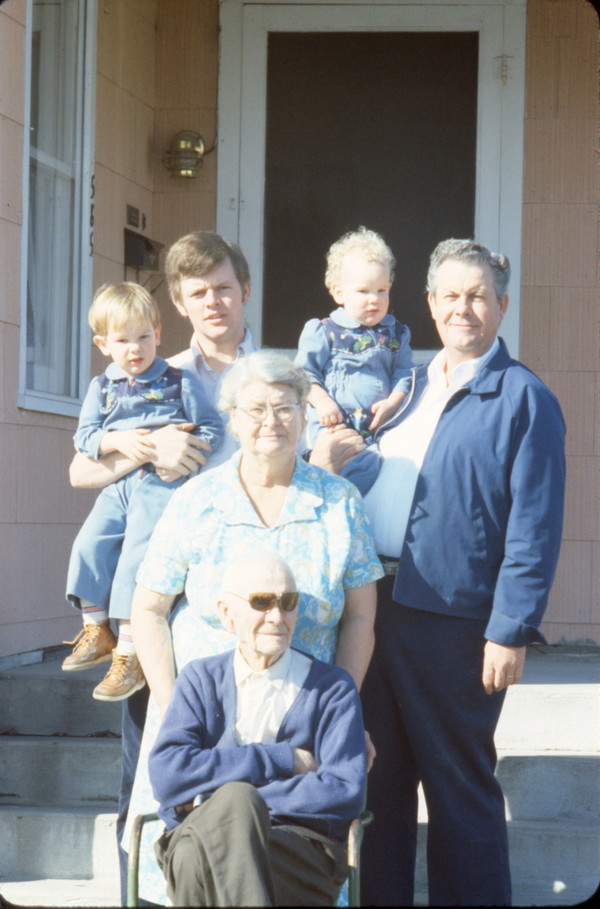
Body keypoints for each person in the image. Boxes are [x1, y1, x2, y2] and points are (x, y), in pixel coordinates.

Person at [347, 238, 565, 906]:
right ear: (431, 304)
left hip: (457, 623)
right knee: (377, 788)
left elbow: (536, 523)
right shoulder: (406, 384)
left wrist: (511, 628)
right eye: (450, 295)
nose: (463, 307)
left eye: (477, 295)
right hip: (372, 609)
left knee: (459, 788)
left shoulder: (524, 398)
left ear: (501, 305)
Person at [126, 350, 382, 904]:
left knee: (256, 846)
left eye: (286, 407)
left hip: (302, 729)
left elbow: (361, 616)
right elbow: (147, 608)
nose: (271, 420)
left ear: (305, 415)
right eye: (256, 408)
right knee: (207, 836)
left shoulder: (339, 503)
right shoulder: (197, 500)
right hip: (205, 727)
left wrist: (342, 713)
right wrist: (175, 710)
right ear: (233, 418)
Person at [67, 231, 256, 904]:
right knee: (150, 759)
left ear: (245, 291)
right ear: (177, 301)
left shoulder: (279, 375)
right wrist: (144, 449)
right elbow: (79, 468)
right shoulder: (150, 372)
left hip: (256, 602)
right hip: (167, 609)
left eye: (224, 287)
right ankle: (144, 894)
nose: (214, 301)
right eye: (198, 291)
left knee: (245, 763)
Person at [149, 550, 366, 907]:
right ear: (225, 612)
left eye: (288, 602)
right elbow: (167, 776)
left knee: (206, 841)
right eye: (261, 602)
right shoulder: (199, 679)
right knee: (197, 845)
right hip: (200, 837)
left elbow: (344, 789)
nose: (277, 617)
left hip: (297, 850)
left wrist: (231, 803)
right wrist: (280, 760)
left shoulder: (332, 688)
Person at [62, 282, 224, 702]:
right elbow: (85, 437)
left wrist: (184, 458)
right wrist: (120, 442)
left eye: (143, 337)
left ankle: (131, 651)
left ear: (158, 332)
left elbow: (211, 427)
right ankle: (97, 629)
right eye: (122, 340)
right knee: (89, 542)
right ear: (103, 344)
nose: (135, 349)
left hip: (159, 483)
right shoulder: (103, 387)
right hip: (118, 484)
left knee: (137, 555)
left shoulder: (177, 379)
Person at [295, 227, 413, 494]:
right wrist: (322, 401)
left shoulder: (396, 333)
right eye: (363, 291)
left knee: (380, 471)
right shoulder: (324, 330)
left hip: (377, 427)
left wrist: (393, 402)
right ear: (339, 293)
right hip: (332, 426)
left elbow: (405, 373)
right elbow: (303, 374)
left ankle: (357, 517)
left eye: (382, 290)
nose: (374, 300)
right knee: (334, 471)